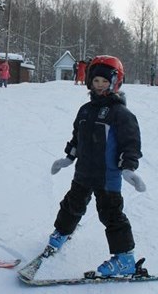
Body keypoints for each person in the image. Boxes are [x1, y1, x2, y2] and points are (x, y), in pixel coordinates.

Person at [48, 55, 146, 277]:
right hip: (83, 172)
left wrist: (129, 168)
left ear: (115, 82)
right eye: (96, 81)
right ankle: (62, 232)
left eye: (105, 81)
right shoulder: (85, 110)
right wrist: (67, 158)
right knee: (72, 204)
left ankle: (125, 258)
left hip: (107, 176)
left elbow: (131, 144)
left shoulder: (121, 113)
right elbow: (77, 138)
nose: (100, 85)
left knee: (111, 214)